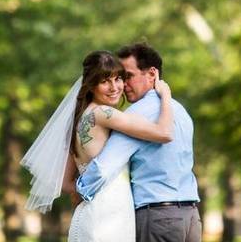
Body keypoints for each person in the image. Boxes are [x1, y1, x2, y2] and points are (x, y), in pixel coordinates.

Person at [21, 50, 174, 242]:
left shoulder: (81, 116)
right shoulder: (103, 114)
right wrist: (166, 95)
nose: (114, 87)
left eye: (118, 79)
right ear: (91, 85)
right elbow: (165, 133)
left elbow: (64, 181)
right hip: (108, 217)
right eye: (104, 81)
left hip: (93, 214)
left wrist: (82, 191)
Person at [76, 43, 201, 242]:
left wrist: (82, 189)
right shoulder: (180, 111)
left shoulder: (136, 113)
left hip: (158, 218)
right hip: (191, 216)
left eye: (127, 76)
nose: (122, 85)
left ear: (152, 74)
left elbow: (104, 166)